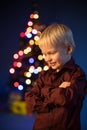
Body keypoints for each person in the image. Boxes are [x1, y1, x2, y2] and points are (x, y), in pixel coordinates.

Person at [25, 23, 87, 130]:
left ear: (68, 49)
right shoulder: (44, 74)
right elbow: (30, 100)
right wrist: (58, 91)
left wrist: (44, 93)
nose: (47, 59)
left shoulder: (77, 74)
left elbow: (67, 98)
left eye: (52, 53)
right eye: (44, 54)